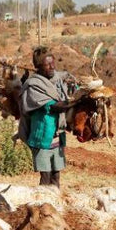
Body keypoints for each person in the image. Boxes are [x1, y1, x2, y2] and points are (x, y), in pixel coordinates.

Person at [20, 46, 78, 187]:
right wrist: (77, 101)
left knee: (56, 176)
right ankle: (42, 204)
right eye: (48, 65)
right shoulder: (34, 86)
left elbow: (66, 81)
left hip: (57, 138)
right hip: (42, 140)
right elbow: (55, 106)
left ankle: (54, 204)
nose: (52, 67)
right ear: (39, 67)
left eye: (53, 63)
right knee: (45, 178)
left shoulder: (57, 81)